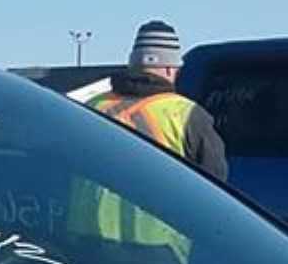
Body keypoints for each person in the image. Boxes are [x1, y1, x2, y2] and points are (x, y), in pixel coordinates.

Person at [74, 21, 229, 182]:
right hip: (160, 208)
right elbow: (215, 185)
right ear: (170, 68)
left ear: (133, 64)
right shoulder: (187, 115)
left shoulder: (91, 107)